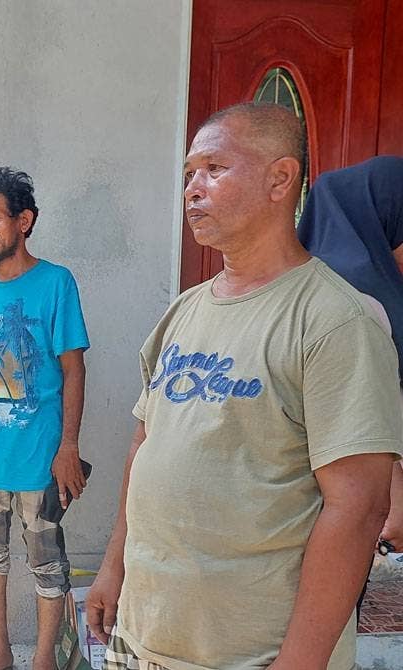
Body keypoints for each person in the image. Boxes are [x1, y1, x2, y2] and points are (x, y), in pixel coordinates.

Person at [85, 103, 402, 670]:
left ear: (280, 178)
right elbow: (144, 444)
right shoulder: (182, 312)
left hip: (251, 653)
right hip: (145, 634)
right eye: (188, 175)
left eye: (213, 168)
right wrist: (115, 567)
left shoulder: (335, 320)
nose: (193, 190)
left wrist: (300, 661)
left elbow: (358, 505)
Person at [0, 167, 90, 670]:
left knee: (48, 561)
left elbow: (73, 369)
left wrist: (68, 447)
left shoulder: (56, 283)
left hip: (38, 459)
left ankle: (46, 658)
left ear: (24, 221)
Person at [297, 156, 403, 552]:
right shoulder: (359, 290)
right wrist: (395, 494)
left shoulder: (307, 274)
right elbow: (362, 400)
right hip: (345, 483)